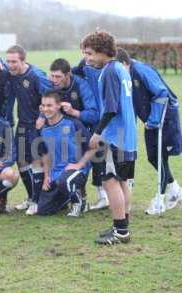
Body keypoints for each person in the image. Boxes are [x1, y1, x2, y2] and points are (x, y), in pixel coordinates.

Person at [81, 31, 137, 245]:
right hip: (127, 136)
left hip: (115, 137)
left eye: (89, 53)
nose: (87, 58)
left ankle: (120, 231)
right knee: (122, 181)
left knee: (110, 181)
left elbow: (111, 109)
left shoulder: (110, 72)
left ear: (103, 52)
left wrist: (97, 133)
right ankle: (121, 225)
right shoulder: (121, 69)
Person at [117, 48, 182, 214]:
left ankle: (159, 200)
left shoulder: (141, 70)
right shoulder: (126, 75)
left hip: (164, 117)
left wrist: (153, 120)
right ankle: (175, 190)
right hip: (151, 121)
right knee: (154, 157)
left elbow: (161, 93)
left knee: (160, 157)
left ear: (125, 63)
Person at [3, 45, 53, 215]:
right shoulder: (11, 74)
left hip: (38, 124)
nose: (10, 65)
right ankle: (31, 197)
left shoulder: (36, 75)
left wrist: (43, 116)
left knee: (36, 161)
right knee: (21, 161)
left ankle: (37, 201)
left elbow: (51, 96)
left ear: (23, 60)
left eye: (14, 62)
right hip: (23, 123)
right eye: (8, 61)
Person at [35, 92, 93, 217]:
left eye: (49, 105)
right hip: (56, 172)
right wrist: (46, 176)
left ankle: (78, 202)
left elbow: (93, 147)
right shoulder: (43, 129)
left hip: (77, 170)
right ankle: (67, 196)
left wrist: (79, 165)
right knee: (43, 210)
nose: (46, 109)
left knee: (64, 181)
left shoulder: (73, 123)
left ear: (58, 106)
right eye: (43, 106)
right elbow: (45, 154)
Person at [72, 56, 110, 210]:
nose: (87, 56)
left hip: (106, 117)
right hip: (94, 116)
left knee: (103, 157)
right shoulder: (85, 65)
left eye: (89, 52)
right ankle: (99, 196)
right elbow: (71, 71)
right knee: (95, 155)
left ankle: (105, 197)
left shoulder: (110, 68)